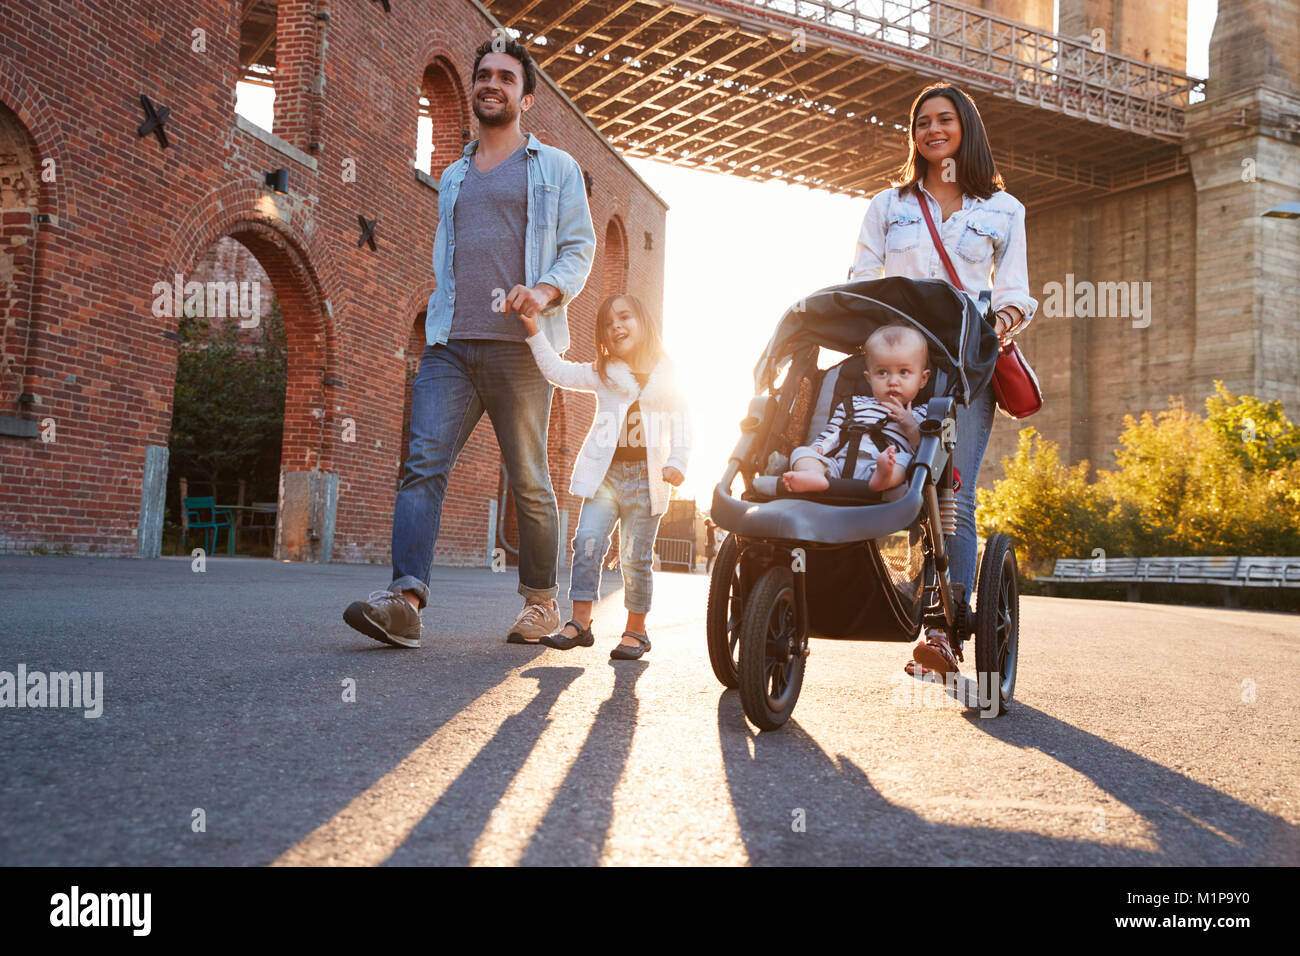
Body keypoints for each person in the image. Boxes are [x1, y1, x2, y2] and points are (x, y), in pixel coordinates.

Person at [343, 37, 596, 649]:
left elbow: (579, 247)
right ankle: (406, 601)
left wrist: (544, 291)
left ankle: (539, 604)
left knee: (530, 477)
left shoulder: (555, 168)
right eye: (484, 74)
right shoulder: (453, 176)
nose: (492, 84)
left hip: (523, 347)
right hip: (450, 344)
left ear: (525, 96)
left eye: (506, 78)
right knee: (424, 463)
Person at [850, 82, 1037, 679]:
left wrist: (998, 323)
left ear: (966, 130)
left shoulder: (1004, 212)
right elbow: (860, 279)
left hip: (967, 366)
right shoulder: (889, 205)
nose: (933, 130)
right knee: (891, 476)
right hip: (901, 366)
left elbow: (1014, 294)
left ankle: (944, 629)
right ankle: (885, 592)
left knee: (952, 489)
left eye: (945, 120)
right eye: (922, 122)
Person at [516, 294, 691, 660]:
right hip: (605, 477)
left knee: (635, 557)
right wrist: (533, 329)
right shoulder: (603, 371)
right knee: (588, 541)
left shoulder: (669, 374)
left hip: (649, 480)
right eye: (609, 324)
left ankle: (636, 632)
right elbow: (557, 371)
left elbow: (681, 424)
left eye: (625, 317)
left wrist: (677, 462)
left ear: (643, 321)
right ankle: (580, 624)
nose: (616, 327)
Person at [782, 324, 930, 495]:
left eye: (903, 372)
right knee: (801, 452)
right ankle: (813, 475)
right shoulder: (852, 404)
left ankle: (883, 478)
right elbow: (831, 432)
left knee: (906, 461)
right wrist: (818, 448)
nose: (892, 381)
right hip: (837, 468)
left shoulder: (921, 413)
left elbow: (924, 452)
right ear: (869, 378)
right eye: (882, 373)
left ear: (922, 379)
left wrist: (910, 425)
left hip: (883, 466)